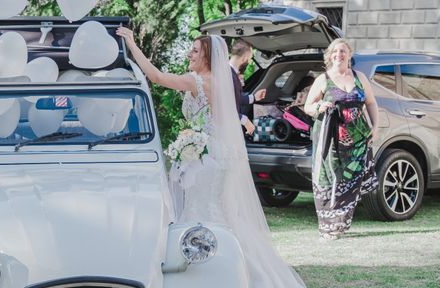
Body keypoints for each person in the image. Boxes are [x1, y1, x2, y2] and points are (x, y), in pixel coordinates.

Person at [116, 27, 305, 288]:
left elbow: (155, 76)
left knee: (201, 212)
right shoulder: (218, 82)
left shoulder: (197, 81)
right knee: (220, 212)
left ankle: (206, 271)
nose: (189, 54)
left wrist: (132, 44)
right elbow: (224, 118)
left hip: (205, 159)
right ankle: (231, 267)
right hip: (217, 155)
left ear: (207, 56)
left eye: (195, 50)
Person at [304, 38, 379, 240]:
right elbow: (307, 107)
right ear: (330, 55)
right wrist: (320, 107)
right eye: (335, 51)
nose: (339, 54)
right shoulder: (323, 79)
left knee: (350, 182)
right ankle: (328, 227)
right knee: (329, 180)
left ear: (349, 54)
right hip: (329, 138)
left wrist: (375, 126)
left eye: (343, 51)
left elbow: (371, 102)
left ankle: (341, 224)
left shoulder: (359, 77)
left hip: (357, 139)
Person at [229, 40, 266, 135]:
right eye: (249, 58)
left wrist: (254, 97)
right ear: (244, 57)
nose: (249, 61)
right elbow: (224, 106)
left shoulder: (232, 73)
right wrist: (244, 120)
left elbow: (236, 98)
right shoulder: (228, 74)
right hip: (228, 126)